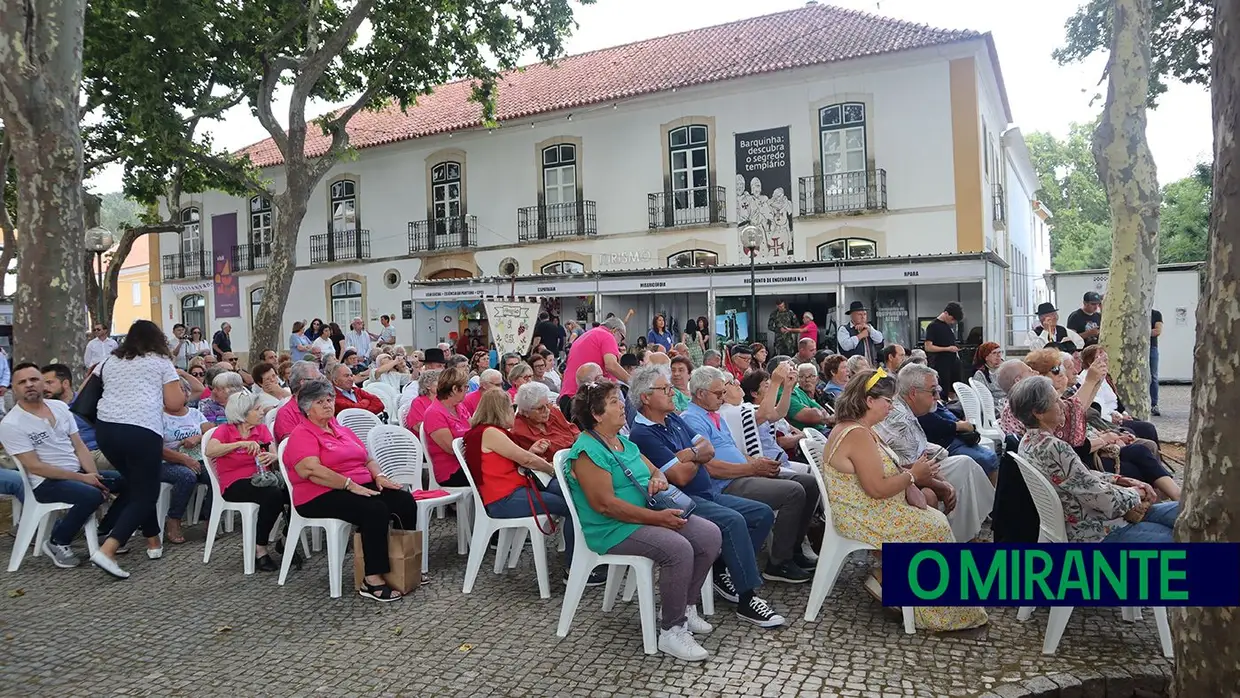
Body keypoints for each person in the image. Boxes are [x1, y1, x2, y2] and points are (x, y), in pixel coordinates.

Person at [817, 368, 988, 630]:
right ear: (869, 401)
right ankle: (938, 612)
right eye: (888, 401)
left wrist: (910, 478)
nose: (891, 407)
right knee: (935, 526)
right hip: (861, 516)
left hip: (863, 509)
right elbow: (876, 489)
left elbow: (877, 477)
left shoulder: (859, 429)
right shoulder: (857, 434)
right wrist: (912, 477)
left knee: (934, 519)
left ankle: (898, 585)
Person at [565, 380, 722, 661]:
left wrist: (658, 482)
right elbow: (606, 506)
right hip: (612, 528)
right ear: (597, 414)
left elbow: (656, 472)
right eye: (614, 402)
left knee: (709, 534)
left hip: (646, 516)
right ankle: (671, 631)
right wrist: (658, 518)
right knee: (678, 548)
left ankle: (684, 606)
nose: (623, 404)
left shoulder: (623, 442)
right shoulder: (588, 451)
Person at [627, 366, 785, 628]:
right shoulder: (643, 433)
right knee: (733, 520)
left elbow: (708, 449)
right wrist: (695, 455)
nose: (671, 393)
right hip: (682, 501)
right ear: (645, 398)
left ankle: (724, 569)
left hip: (705, 493)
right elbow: (681, 477)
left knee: (762, 514)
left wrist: (689, 455)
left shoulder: (673, 419)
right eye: (664, 389)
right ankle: (748, 598)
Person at [681, 366, 818, 583]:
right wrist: (752, 468)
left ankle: (792, 550)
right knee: (794, 491)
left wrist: (756, 462)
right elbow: (710, 467)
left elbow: (733, 451)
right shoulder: (692, 419)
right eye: (719, 393)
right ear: (701, 394)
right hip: (726, 482)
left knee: (810, 484)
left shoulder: (714, 415)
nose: (723, 397)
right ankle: (779, 563)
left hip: (742, 473)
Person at [284, 379, 416, 601]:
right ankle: (372, 578)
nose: (328, 404)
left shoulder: (340, 428)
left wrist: (379, 477)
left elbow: (367, 459)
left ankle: (403, 566)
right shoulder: (302, 434)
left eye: (330, 399)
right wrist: (348, 484)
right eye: (320, 401)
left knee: (403, 501)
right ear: (307, 408)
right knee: (374, 509)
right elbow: (310, 470)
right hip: (318, 493)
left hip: (357, 485)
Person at [1009, 377, 1178, 543]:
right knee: (1183, 533)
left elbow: (1082, 478)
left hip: (1096, 520)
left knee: (1186, 513)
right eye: (1056, 401)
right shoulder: (1053, 447)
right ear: (1038, 413)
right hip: (1098, 530)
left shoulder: (1027, 442)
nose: (1063, 405)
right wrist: (1136, 493)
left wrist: (1121, 480)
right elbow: (1100, 497)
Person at [464, 388, 602, 584]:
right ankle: (575, 568)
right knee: (574, 507)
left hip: (509, 491)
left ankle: (582, 559)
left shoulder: (486, 432)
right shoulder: (490, 433)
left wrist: (531, 452)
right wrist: (553, 470)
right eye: (510, 408)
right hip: (504, 498)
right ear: (500, 410)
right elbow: (526, 460)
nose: (513, 412)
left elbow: (509, 460)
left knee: (571, 498)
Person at [0, 363, 126, 568]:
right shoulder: (11, 424)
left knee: (131, 482)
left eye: (34, 379)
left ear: (43, 383)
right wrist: (84, 479)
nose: (29, 385)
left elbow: (79, 446)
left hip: (78, 474)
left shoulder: (59, 407)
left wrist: (94, 476)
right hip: (44, 483)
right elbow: (36, 467)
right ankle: (58, 540)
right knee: (91, 494)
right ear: (13, 388)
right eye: (22, 382)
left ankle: (104, 532)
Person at [91, 320, 187, 577]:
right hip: (141, 429)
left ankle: (153, 540)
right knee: (146, 492)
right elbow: (176, 403)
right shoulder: (160, 362)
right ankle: (108, 549)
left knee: (137, 485)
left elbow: (86, 392)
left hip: (106, 429)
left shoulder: (109, 361)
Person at [875, 363, 994, 543]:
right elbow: (913, 470)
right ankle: (966, 536)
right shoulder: (898, 418)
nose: (938, 397)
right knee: (963, 468)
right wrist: (943, 486)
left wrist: (941, 456)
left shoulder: (905, 409)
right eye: (933, 391)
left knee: (965, 463)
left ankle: (966, 534)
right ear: (914, 393)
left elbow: (920, 449)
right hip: (905, 480)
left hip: (917, 470)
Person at [204, 390, 285, 571]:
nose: (262, 411)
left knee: (290, 492)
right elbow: (210, 450)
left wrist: (273, 458)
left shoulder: (261, 429)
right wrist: (240, 444)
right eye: (257, 409)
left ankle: (285, 539)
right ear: (242, 413)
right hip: (234, 483)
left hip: (261, 478)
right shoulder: (225, 431)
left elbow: (274, 453)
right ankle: (260, 549)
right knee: (273, 495)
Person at [1077, 346, 1160, 442]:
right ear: (1089, 361)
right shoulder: (1087, 378)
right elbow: (1096, 406)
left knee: (1146, 427)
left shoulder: (1106, 377)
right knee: (1147, 429)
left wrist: (1124, 414)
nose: (1104, 358)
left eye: (1104, 355)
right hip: (1106, 419)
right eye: (1099, 355)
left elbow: (1116, 400)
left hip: (1117, 414)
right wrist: (1118, 418)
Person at [560, 317, 631, 401]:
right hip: (584, 398)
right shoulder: (607, 336)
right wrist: (633, 382)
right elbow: (611, 366)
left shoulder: (587, 335)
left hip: (568, 396)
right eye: (622, 337)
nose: (619, 343)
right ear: (614, 330)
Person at [423, 366, 472, 486]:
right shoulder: (434, 413)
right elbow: (452, 448)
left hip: (467, 463)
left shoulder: (459, 406)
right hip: (451, 471)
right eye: (466, 387)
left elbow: (473, 429)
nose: (467, 391)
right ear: (455, 389)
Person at [923, 302, 964, 399]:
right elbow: (928, 347)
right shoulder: (933, 326)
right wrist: (948, 349)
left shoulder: (948, 326)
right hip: (941, 364)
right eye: (952, 319)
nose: (953, 322)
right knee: (943, 391)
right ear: (946, 313)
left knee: (953, 389)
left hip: (952, 363)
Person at [1149, 308, 1163, 416]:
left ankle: (1154, 404)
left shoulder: (1156, 314)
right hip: (1136, 348)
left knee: (1153, 376)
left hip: (1151, 347)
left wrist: (1139, 332)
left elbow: (1157, 331)